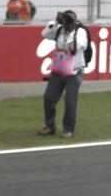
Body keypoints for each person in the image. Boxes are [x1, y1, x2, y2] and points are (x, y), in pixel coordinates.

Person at [37, 10, 88, 138]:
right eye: (66, 21)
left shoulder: (80, 32)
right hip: (59, 68)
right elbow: (44, 34)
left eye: (70, 21)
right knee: (49, 98)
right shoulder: (59, 29)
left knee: (70, 101)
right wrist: (55, 22)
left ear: (75, 21)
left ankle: (68, 129)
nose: (68, 24)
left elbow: (77, 48)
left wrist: (70, 36)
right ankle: (49, 126)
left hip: (75, 71)